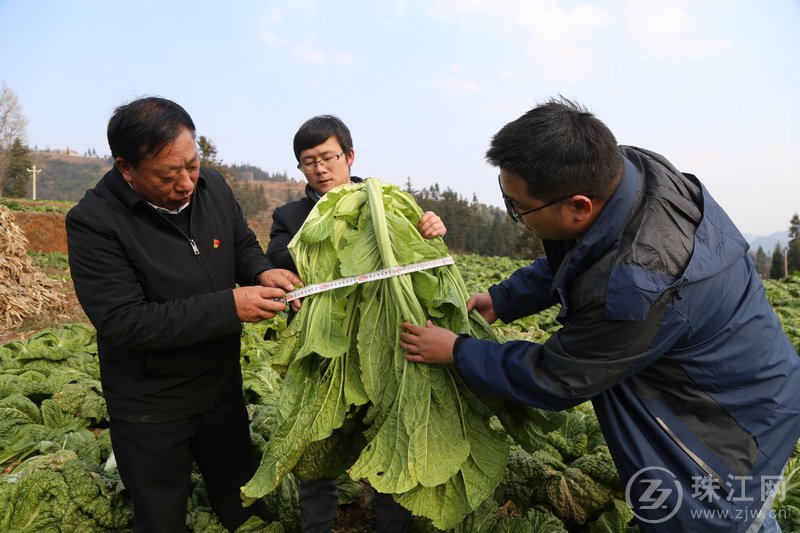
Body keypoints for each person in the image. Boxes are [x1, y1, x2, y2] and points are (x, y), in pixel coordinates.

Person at [399, 97, 800, 532]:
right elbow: (581, 255)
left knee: (717, 520)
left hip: (721, 430)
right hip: (738, 383)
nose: (515, 215)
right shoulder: (628, 173)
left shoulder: (637, 288)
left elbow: (555, 377)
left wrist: (459, 350)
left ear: (579, 205)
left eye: (518, 207)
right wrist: (504, 299)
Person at [66, 96, 301, 532]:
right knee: (162, 518)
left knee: (245, 506)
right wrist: (230, 306)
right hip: (152, 404)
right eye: (168, 174)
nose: (187, 183)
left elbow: (242, 246)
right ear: (126, 169)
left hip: (220, 390)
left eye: (191, 165)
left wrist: (262, 271)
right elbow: (126, 322)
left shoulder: (212, 187)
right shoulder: (94, 222)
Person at [266, 115, 446, 532]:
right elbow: (277, 258)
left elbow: (424, 258)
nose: (320, 168)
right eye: (308, 161)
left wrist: (430, 228)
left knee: (393, 443)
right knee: (315, 450)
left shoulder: (387, 203)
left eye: (328, 157)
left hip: (387, 346)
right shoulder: (291, 214)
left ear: (349, 155)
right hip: (325, 350)